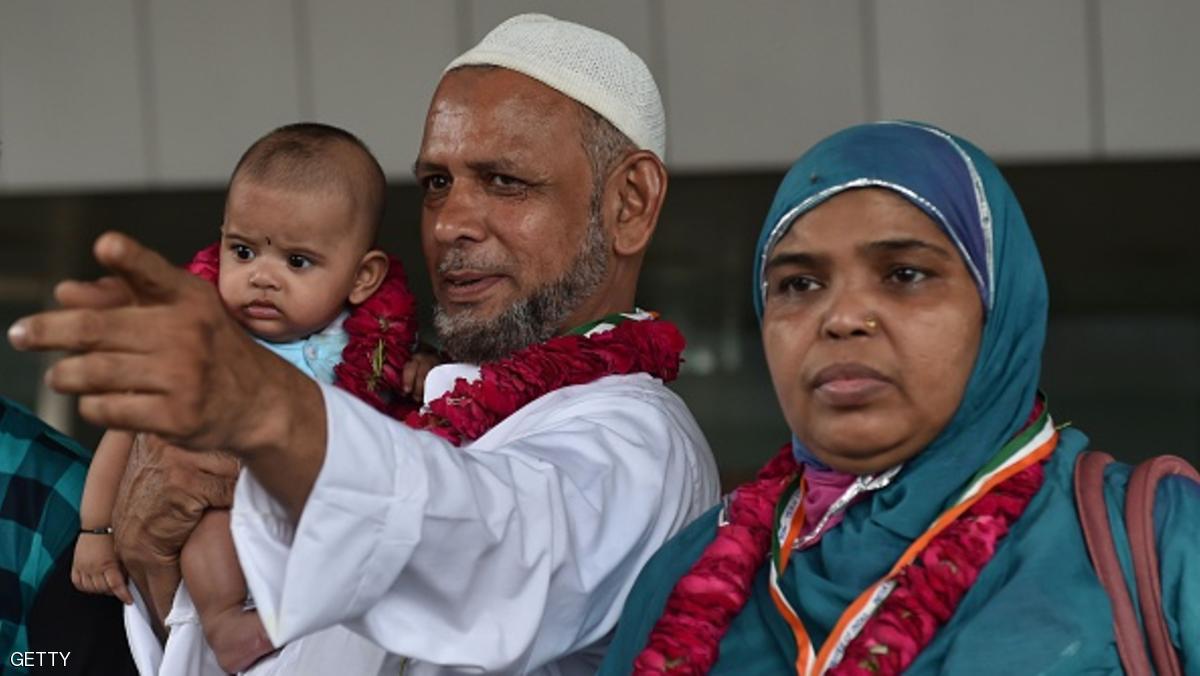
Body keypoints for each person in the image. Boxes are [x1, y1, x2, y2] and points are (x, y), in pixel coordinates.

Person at [8, 13, 720, 676]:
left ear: (629, 203)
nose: (448, 225)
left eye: (504, 181)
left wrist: (265, 409)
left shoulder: (636, 441)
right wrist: (161, 569)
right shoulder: (408, 403)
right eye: (438, 183)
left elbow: (487, 553)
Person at [599, 121, 1200, 674]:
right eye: (799, 284)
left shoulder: (1152, 537)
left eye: (904, 274)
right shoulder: (687, 577)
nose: (843, 317)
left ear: (996, 307)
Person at [68, 122, 433, 673]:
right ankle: (224, 625)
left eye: (298, 261)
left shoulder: (370, 345)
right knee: (207, 523)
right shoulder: (199, 343)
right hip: (226, 522)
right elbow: (124, 432)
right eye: (243, 251)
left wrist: (423, 367)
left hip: (326, 547)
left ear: (362, 277)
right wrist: (95, 532)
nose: (263, 277)